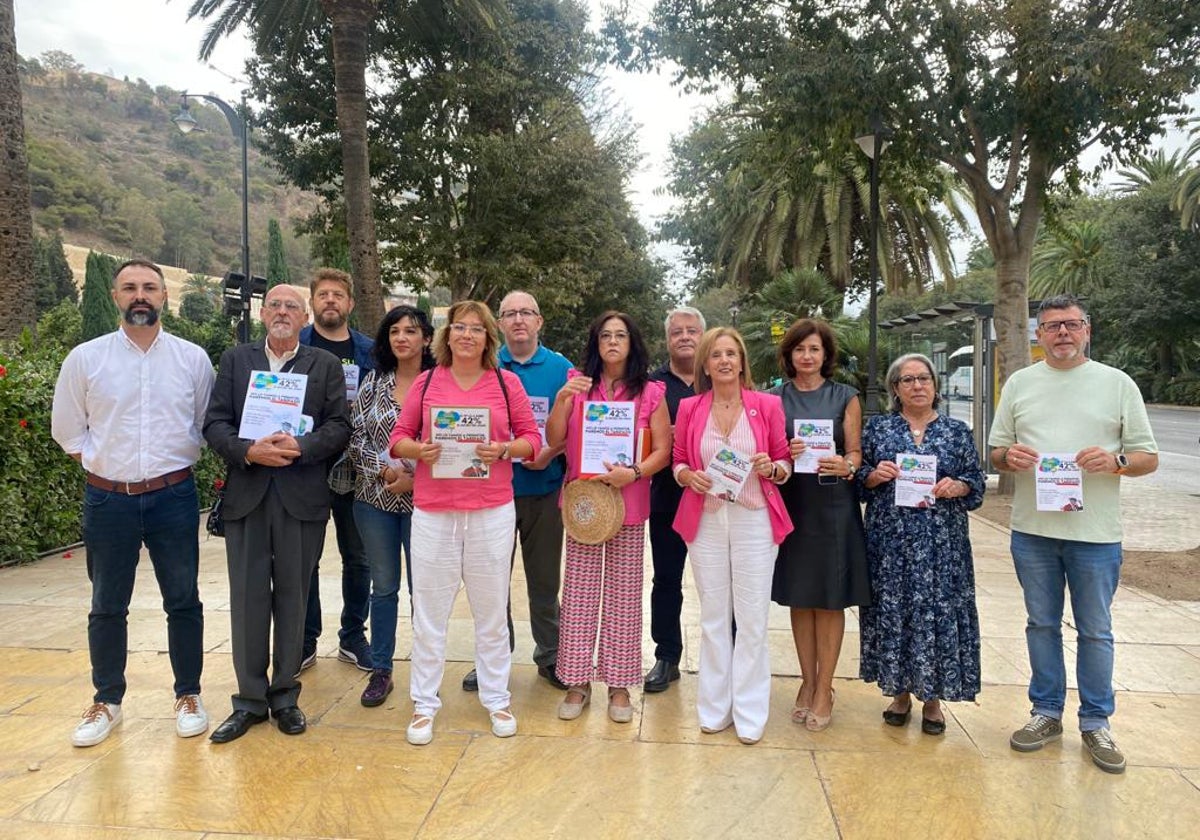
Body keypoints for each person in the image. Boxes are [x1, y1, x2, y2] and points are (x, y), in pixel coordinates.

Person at [989, 294, 1158, 774]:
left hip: (1096, 535)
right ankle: (1046, 713)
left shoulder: (1117, 384)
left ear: (1087, 330)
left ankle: (1096, 721)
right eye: (1051, 326)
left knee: (1095, 630)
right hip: (1033, 532)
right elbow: (997, 452)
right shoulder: (1020, 384)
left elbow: (1148, 457)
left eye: (1071, 324)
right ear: (1038, 335)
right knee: (1040, 624)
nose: (1062, 333)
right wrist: (1009, 459)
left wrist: (1117, 462)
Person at [51, 258, 214, 747]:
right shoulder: (86, 358)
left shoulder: (192, 359)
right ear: (115, 295)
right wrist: (105, 463)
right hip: (108, 499)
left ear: (165, 297)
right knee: (106, 604)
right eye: (129, 288)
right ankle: (107, 699)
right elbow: (67, 429)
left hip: (173, 496)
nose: (139, 295)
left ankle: (188, 694)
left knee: (183, 599)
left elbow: (205, 424)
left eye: (149, 287)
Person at [388, 301, 541, 745]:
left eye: (476, 328)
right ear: (447, 335)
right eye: (459, 327)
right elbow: (398, 439)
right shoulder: (428, 380)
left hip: (491, 509)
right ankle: (424, 703)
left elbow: (532, 441)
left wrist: (505, 450)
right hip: (435, 511)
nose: (467, 335)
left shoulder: (505, 382)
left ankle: (496, 697)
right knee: (429, 613)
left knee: (491, 611)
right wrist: (420, 452)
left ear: (488, 337)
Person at [203, 284, 351, 743]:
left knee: (293, 595)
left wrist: (300, 447)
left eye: (292, 306)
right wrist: (249, 451)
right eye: (276, 306)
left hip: (301, 496)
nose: (283, 312)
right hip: (248, 494)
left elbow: (340, 426)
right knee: (247, 597)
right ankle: (249, 700)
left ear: (305, 318)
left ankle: (285, 694)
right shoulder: (235, 360)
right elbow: (214, 422)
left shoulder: (323, 365)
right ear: (263, 314)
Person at [546, 311, 672, 723]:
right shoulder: (578, 387)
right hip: (584, 506)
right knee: (580, 595)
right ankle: (577, 681)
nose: (613, 342)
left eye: (621, 335)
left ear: (632, 343)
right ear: (596, 343)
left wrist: (633, 473)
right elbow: (554, 439)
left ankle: (619, 685)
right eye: (605, 335)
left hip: (628, 505)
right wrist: (564, 401)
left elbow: (662, 452)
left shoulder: (650, 392)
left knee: (623, 596)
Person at [671, 328, 792, 744]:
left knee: (753, 617)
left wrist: (771, 467)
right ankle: (714, 708)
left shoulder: (767, 405)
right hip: (706, 519)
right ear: (705, 364)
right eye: (716, 355)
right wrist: (688, 475)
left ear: (742, 362)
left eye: (731, 354)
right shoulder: (690, 407)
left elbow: (783, 461)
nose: (724, 361)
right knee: (713, 617)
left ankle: (750, 710)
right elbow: (678, 461)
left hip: (754, 518)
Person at [858, 353, 985, 736]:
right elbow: (857, 478)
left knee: (936, 615)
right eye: (907, 380)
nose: (917, 386)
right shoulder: (878, 429)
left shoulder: (956, 431)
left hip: (941, 546)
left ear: (935, 385)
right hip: (890, 543)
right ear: (895, 389)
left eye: (923, 378)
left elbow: (976, 486)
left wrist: (959, 485)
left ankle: (932, 700)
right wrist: (873, 476)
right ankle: (898, 693)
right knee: (895, 613)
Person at [462, 290, 573, 693]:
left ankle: (551, 656)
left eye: (527, 312)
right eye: (510, 314)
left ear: (540, 321)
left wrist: (551, 451)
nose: (519, 320)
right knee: (490, 582)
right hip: (492, 493)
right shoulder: (484, 367)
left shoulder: (562, 369)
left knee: (544, 582)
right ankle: (493, 661)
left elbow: (576, 428)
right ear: (500, 324)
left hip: (543, 491)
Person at [769, 319, 869, 732]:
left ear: (826, 355)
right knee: (800, 597)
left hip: (833, 507)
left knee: (829, 600)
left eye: (814, 349)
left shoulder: (845, 397)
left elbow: (856, 453)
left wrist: (846, 465)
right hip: (794, 506)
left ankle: (825, 688)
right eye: (799, 349)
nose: (807, 356)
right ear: (789, 355)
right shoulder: (774, 399)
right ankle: (807, 683)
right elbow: (770, 454)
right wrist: (785, 453)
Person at [346, 305, 434, 707]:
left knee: (425, 591)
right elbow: (356, 438)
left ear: (427, 339)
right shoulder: (373, 384)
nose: (402, 338)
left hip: (428, 503)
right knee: (383, 588)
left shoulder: (441, 386)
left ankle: (426, 671)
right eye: (395, 331)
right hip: (374, 500)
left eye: (411, 331)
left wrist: (414, 479)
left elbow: (450, 445)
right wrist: (386, 474)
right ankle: (381, 669)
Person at [298, 268, 374, 673]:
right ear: (312, 302)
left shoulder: (371, 351)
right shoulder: (295, 346)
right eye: (323, 294)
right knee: (304, 556)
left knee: (358, 556)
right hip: (305, 464)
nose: (330, 300)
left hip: (356, 466)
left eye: (337, 295)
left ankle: (352, 636)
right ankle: (305, 638)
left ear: (349, 304)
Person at [645, 306, 705, 693]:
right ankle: (667, 655)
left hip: (716, 497)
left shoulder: (720, 379)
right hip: (667, 495)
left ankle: (726, 656)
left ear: (704, 335)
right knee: (666, 578)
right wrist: (661, 437)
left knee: (720, 582)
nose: (684, 337)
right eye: (676, 332)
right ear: (667, 339)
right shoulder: (652, 386)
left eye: (691, 331)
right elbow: (636, 439)